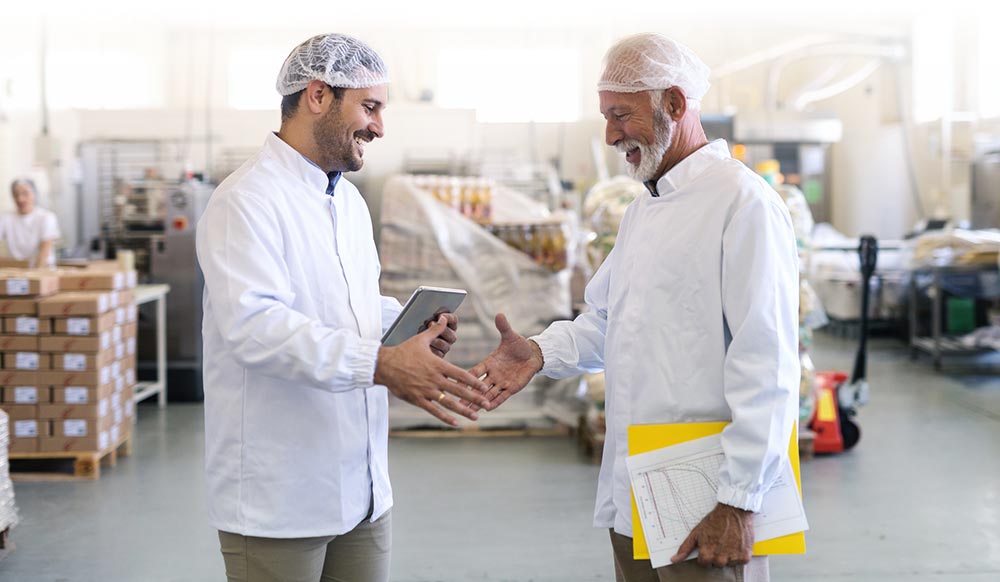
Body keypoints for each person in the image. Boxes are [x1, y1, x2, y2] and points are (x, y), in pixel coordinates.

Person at [471, 33, 799, 582]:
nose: (609, 134)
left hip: (709, 499)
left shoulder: (743, 204)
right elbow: (608, 320)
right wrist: (537, 352)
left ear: (674, 103)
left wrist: (740, 499)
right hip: (639, 492)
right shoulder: (644, 209)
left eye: (621, 114)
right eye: (605, 116)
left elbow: (767, 361)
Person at [196, 33, 491, 582]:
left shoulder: (347, 201)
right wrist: (380, 364)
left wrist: (401, 329)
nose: (379, 127)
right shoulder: (246, 201)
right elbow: (254, 327)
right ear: (317, 95)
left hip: (362, 490)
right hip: (279, 500)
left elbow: (346, 304)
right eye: (370, 107)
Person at [2, 178, 61, 268]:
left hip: (43, 272)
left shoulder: (46, 217)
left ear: (34, 194)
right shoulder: (6, 219)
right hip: (16, 272)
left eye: (25, 193)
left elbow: (44, 252)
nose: (20, 199)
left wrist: (33, 277)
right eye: (16, 194)